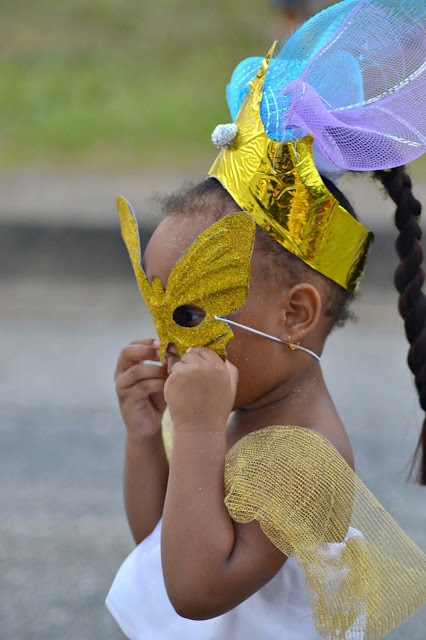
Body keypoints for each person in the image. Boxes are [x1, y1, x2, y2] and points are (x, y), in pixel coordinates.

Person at [106, 1, 426, 638]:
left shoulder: (304, 457)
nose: (169, 342)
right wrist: (147, 436)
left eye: (192, 313)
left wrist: (196, 432)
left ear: (295, 315)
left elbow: (195, 591)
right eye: (160, 311)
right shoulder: (250, 408)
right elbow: (158, 546)